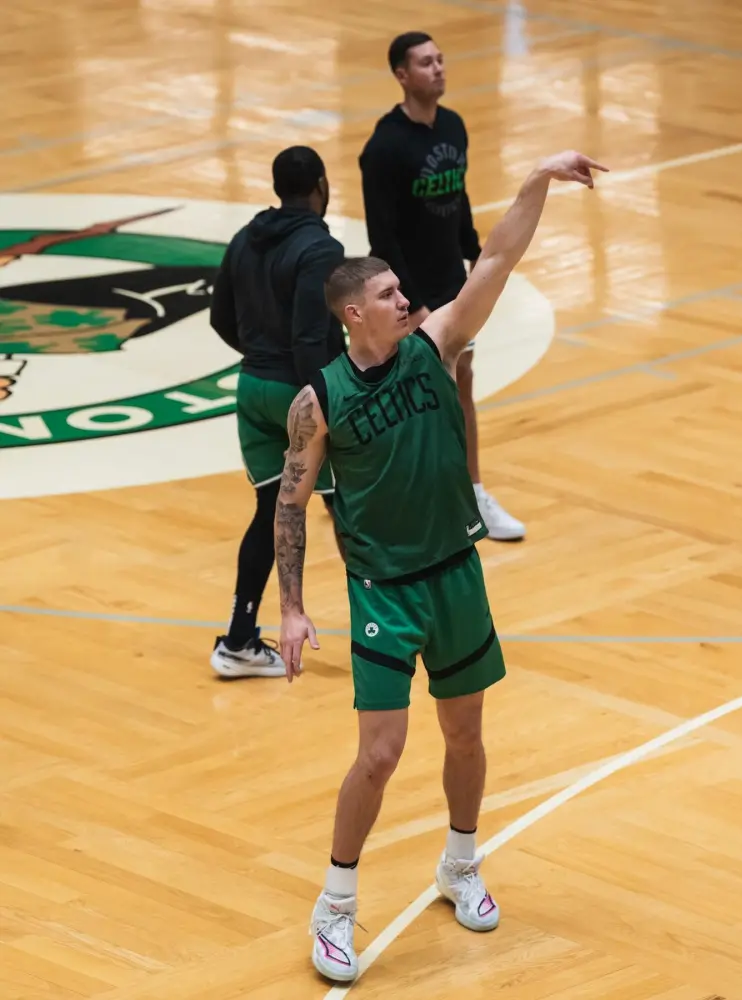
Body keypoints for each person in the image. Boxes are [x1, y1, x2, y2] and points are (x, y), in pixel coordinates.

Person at [274, 148, 607, 981]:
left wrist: (535, 181)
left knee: (466, 737)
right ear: (355, 314)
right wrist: (290, 606)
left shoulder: (436, 343)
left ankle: (460, 863)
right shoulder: (318, 400)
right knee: (380, 755)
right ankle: (335, 907)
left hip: (456, 571)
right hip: (385, 588)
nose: (406, 298)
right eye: (388, 294)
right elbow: (289, 502)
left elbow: (495, 258)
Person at [358, 30, 525, 542]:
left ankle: (471, 492)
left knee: (460, 387)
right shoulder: (384, 148)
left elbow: (459, 200)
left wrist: (475, 254)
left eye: (440, 60)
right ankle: (387, 493)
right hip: (412, 294)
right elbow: (382, 234)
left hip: (453, 282)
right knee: (410, 397)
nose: (438, 69)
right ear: (401, 75)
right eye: (426, 63)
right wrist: (414, 304)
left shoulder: (452, 126)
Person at [208, 145, 346, 679]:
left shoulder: (246, 237)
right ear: (319, 185)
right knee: (347, 506)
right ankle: (384, 629)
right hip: (300, 394)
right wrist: (330, 401)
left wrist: (259, 355)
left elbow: (221, 317)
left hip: (253, 387)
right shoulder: (319, 247)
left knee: (271, 510)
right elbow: (312, 339)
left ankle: (240, 639)